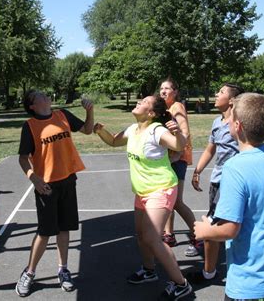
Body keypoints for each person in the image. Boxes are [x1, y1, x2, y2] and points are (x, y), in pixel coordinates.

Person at [194, 93, 264, 301]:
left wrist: (205, 230)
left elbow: (229, 229)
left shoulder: (234, 167)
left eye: (231, 119)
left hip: (251, 279)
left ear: (238, 126)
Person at [94, 94, 193, 300]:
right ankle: (149, 271)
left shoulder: (157, 130)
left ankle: (181, 284)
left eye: (144, 102)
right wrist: (99, 130)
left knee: (152, 238)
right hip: (142, 191)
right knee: (141, 235)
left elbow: (178, 145)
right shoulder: (133, 129)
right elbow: (113, 141)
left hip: (161, 188)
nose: (139, 101)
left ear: (151, 113)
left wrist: (179, 134)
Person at [15, 90, 94, 297]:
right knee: (45, 232)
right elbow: (23, 158)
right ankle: (29, 273)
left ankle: (63, 269)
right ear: (32, 105)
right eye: (39, 95)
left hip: (68, 180)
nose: (45, 95)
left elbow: (87, 130)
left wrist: (90, 111)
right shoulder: (30, 126)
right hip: (46, 186)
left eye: (44, 93)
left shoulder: (62, 115)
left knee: (64, 228)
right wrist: (34, 179)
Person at [187, 83, 244, 284]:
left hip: (232, 183)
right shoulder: (216, 122)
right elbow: (211, 149)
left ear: (231, 100)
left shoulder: (238, 123)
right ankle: (212, 270)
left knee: (213, 227)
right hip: (217, 181)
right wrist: (198, 170)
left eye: (220, 92)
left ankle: (210, 273)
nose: (215, 94)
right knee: (218, 225)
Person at [160, 78, 201, 257]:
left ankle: (197, 236)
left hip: (178, 158)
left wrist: (177, 154)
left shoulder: (177, 107)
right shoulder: (166, 109)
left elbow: (185, 132)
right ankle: (169, 235)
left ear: (175, 91)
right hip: (169, 158)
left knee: (176, 201)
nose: (163, 91)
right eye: (161, 88)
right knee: (170, 199)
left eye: (167, 88)